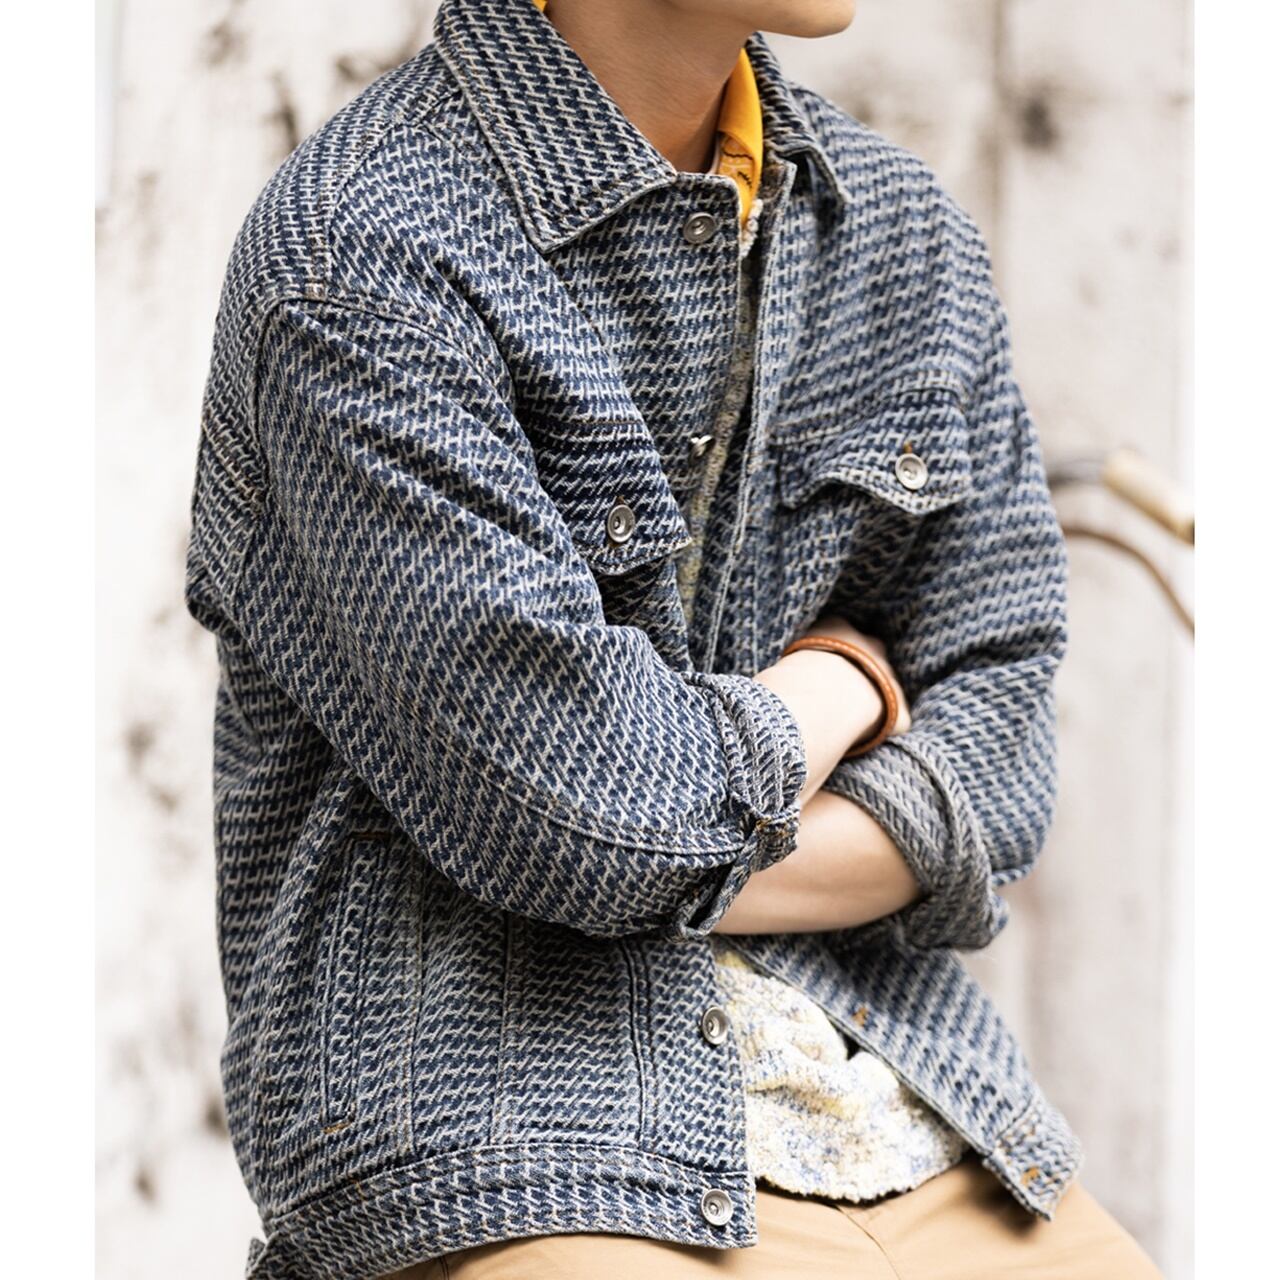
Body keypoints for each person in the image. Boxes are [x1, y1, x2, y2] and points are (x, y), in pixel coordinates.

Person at [181, 0, 1164, 1276]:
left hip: (904, 1100)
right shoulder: (361, 254)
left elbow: (1002, 745)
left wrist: (658, 834)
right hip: (510, 1142)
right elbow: (589, 818)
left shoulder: (900, 231)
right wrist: (836, 684)